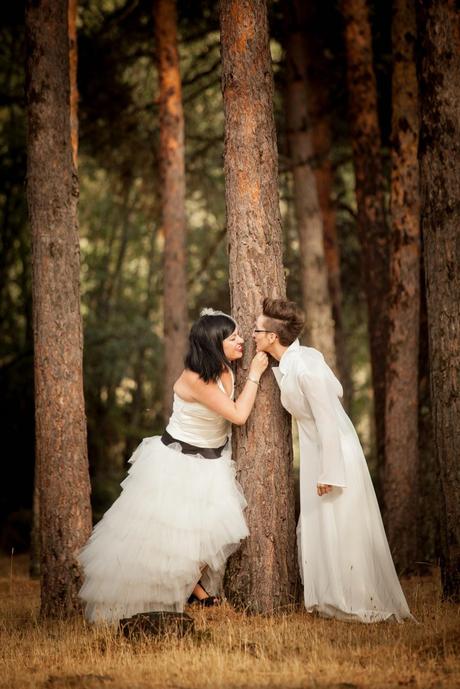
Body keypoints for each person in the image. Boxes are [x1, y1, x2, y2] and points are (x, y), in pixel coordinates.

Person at [79, 308, 268, 623]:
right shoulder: (194, 378)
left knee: (213, 531)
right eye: (233, 336)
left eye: (239, 334)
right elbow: (237, 415)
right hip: (178, 462)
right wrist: (257, 375)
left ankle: (194, 590)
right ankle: (178, 596)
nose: (241, 340)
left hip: (212, 462)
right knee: (166, 540)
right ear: (213, 343)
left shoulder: (226, 368)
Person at [253, 297, 413, 623]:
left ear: (271, 337)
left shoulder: (307, 365)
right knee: (320, 522)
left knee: (342, 523)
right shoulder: (295, 360)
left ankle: (354, 599)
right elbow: (335, 390)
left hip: (334, 452)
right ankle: (328, 597)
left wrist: (330, 472)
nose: (252, 333)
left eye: (257, 330)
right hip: (317, 450)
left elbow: (328, 416)